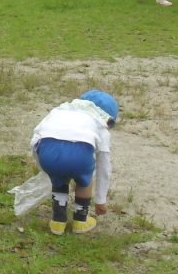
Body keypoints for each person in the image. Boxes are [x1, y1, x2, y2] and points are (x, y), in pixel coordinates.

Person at [30, 90, 117, 235]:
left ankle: (58, 221)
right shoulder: (100, 126)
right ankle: (80, 221)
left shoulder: (59, 111)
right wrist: (101, 199)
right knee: (85, 178)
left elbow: (36, 136)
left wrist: (43, 167)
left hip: (47, 153)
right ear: (106, 118)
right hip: (79, 158)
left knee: (59, 174)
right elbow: (104, 166)